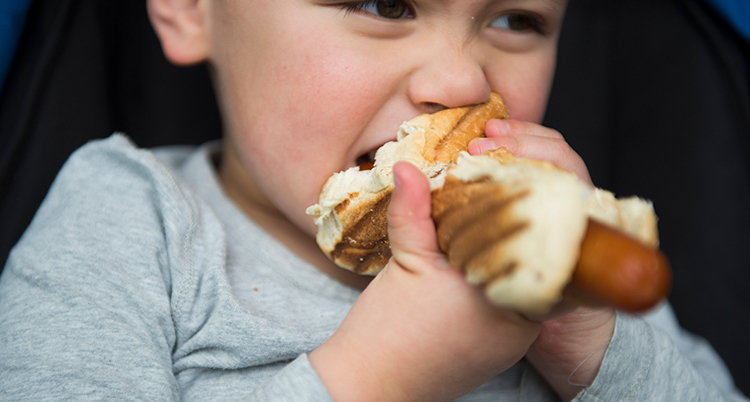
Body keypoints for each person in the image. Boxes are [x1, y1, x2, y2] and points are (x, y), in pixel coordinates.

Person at [0, 0, 745, 400]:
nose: (459, 84)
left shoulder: (572, 262)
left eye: (517, 21)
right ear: (191, 8)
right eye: (384, 4)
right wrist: (380, 380)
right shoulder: (131, 219)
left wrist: (594, 346)